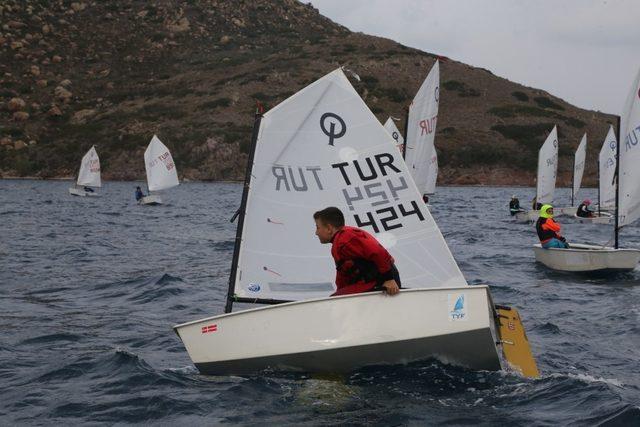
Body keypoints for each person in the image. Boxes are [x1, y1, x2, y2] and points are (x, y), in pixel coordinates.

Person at [313, 206, 401, 296]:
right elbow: (342, 276)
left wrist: (389, 279)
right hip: (373, 281)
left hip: (383, 280)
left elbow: (378, 252)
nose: (316, 232)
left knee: (336, 298)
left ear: (329, 228)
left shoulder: (345, 238)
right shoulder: (338, 244)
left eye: (317, 227)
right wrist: (340, 291)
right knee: (337, 297)